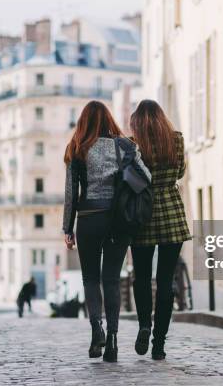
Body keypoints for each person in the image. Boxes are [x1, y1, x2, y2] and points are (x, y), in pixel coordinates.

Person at [63, 100, 151, 363]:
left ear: (83, 122)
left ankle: (96, 332)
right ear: (109, 119)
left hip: (89, 218)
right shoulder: (125, 145)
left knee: (90, 279)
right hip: (118, 220)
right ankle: (112, 341)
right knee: (111, 279)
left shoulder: (77, 148)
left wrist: (68, 228)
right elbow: (145, 176)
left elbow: (71, 193)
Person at [129, 99, 191, 360]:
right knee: (166, 280)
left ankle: (144, 324)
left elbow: (129, 177)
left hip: (142, 212)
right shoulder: (175, 139)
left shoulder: (133, 144)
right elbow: (180, 172)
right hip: (171, 213)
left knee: (141, 277)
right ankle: (159, 344)